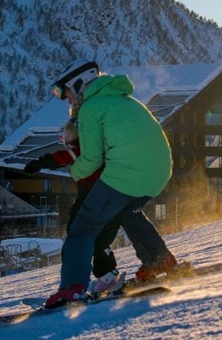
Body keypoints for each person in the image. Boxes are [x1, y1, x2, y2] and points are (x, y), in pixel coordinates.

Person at [42, 59, 176, 308]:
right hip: (158, 173)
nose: (66, 99)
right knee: (127, 211)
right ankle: (159, 260)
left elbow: (91, 160)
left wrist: (75, 173)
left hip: (125, 174)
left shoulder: (91, 108)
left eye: (65, 92)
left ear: (78, 84)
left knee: (83, 228)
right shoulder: (126, 100)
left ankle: (72, 289)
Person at [24, 118, 124, 293]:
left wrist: (40, 163)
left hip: (91, 196)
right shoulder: (104, 147)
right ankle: (108, 277)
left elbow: (63, 157)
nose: (66, 141)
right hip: (113, 197)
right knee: (101, 241)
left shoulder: (84, 147)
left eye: (66, 136)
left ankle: (73, 286)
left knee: (76, 237)